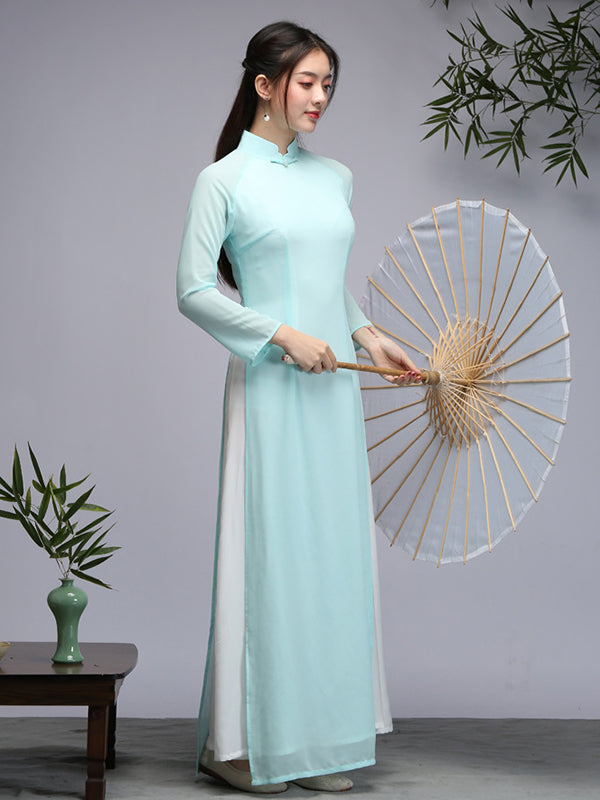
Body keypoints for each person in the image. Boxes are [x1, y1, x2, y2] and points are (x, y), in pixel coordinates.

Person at [176, 21, 420, 795]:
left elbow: (327, 278)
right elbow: (192, 291)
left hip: (333, 388)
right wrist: (280, 334)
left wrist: (369, 335)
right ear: (264, 84)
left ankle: (314, 742)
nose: (320, 98)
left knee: (330, 557)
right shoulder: (223, 180)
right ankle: (235, 745)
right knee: (268, 556)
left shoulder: (335, 177)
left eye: (327, 85)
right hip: (270, 386)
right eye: (307, 82)